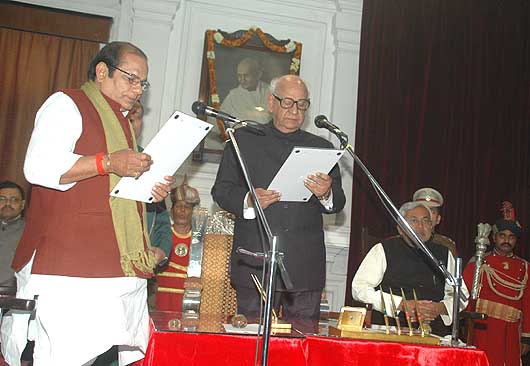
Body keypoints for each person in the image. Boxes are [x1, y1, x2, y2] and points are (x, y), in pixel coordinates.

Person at [1, 41, 174, 366]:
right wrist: (108, 162)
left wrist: (150, 188)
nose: (138, 90)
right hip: (70, 268)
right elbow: (38, 167)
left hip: (115, 267)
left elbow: (114, 190)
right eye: (131, 79)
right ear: (102, 71)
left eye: (143, 83)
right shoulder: (66, 104)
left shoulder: (121, 121)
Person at [212, 75, 346, 321]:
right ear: (271, 102)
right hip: (255, 261)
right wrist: (249, 200)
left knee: (302, 348)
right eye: (287, 102)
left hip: (304, 265)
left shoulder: (322, 148)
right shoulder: (243, 139)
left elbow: (337, 203)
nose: (295, 111)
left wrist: (325, 192)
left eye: (302, 104)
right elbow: (221, 190)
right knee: (252, 347)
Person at [351, 201, 468, 336]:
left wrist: (439, 308)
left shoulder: (444, 254)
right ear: (400, 228)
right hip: (391, 328)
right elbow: (358, 288)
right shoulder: (383, 249)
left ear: (432, 227)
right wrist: (401, 304)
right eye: (413, 221)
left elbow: (462, 296)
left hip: (433, 330)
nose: (420, 226)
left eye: (426, 221)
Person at [463, 201, 529, 366]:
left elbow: (528, 304)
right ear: (494, 237)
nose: (506, 240)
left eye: (511, 237)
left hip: (512, 332)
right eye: (502, 235)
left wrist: (526, 336)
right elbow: (464, 297)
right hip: (484, 329)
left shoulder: (525, 268)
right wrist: (466, 327)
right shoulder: (479, 263)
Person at [128, 100, 172, 260]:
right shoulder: (101, 155)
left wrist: (161, 249)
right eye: (127, 117)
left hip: (141, 258)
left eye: (137, 117)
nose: (132, 123)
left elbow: (160, 218)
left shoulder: (149, 160)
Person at [155, 176, 200, 312]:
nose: (182, 210)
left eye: (187, 207)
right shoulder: (162, 236)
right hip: (158, 300)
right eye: (178, 206)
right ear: (171, 210)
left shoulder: (200, 240)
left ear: (193, 212)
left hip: (190, 303)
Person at [220, 57, 271, 123]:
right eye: (239, 76)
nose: (242, 80)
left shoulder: (270, 91)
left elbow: (268, 118)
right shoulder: (233, 95)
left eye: (246, 76)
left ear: (258, 75)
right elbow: (220, 118)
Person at [413, 187, 457, 256]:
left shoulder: (446, 245)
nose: (427, 215)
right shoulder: (401, 242)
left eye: (432, 211)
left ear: (438, 219)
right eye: (423, 210)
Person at [0, 181, 25, 288]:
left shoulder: (29, 233)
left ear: (22, 204)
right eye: (2, 199)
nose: (8, 204)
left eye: (14, 200)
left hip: (11, 296)